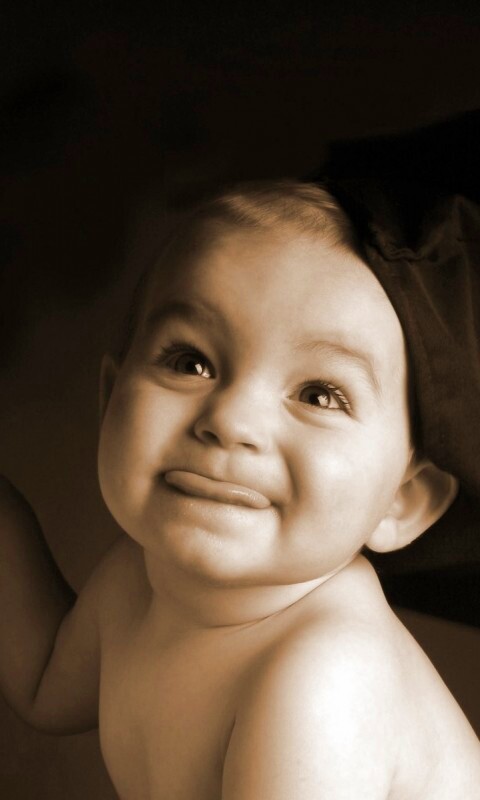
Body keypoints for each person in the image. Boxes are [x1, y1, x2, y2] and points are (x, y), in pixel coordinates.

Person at [0, 181, 479, 799]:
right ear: (111, 400)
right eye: (190, 362)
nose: (231, 420)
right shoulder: (137, 578)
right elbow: (45, 684)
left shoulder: (322, 677)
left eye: (319, 396)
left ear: (402, 501)